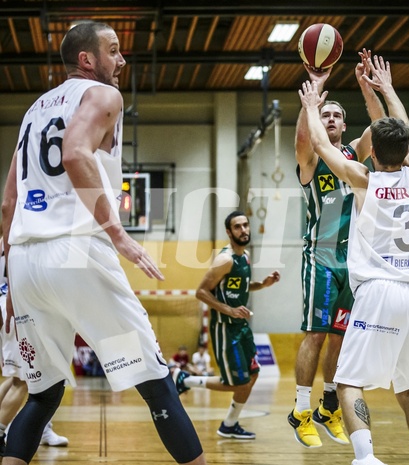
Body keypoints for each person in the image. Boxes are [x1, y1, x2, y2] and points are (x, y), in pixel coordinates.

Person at [0, 21, 206, 465]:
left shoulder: (34, 110)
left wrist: (12, 285)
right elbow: (74, 153)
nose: (123, 60)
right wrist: (118, 234)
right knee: (157, 383)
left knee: (44, 392)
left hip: (26, 261)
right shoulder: (103, 95)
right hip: (76, 252)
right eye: (114, 51)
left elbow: (9, 202)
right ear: (86, 60)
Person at [298, 52, 409, 465]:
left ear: (370, 150)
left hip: (380, 292)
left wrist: (310, 107)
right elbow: (404, 130)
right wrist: (384, 87)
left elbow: (321, 145)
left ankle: (365, 459)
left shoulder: (365, 180)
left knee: (346, 382)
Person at [288, 49, 387, 448]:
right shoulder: (312, 158)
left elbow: (383, 127)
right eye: (324, 114)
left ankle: (329, 404)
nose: (330, 119)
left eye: (335, 116)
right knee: (315, 334)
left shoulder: (351, 156)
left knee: (340, 337)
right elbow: (302, 138)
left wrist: (369, 89)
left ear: (345, 125)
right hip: (321, 257)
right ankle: (300, 410)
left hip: (354, 262)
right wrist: (315, 89)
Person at [173, 211, 280, 440]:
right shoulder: (225, 260)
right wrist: (230, 310)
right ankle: (185, 379)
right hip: (225, 328)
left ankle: (230, 424)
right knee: (237, 383)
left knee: (252, 375)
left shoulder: (246, 256)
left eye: (245, 225)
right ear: (229, 232)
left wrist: (263, 284)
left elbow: (240, 286)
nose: (243, 230)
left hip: (242, 328)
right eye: (237, 227)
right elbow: (201, 292)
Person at [0, 232, 69, 453]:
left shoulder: (10, 239)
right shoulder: (27, 238)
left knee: (18, 376)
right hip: (17, 307)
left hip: (8, 304)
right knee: (27, 381)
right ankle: (1, 430)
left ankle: (44, 427)